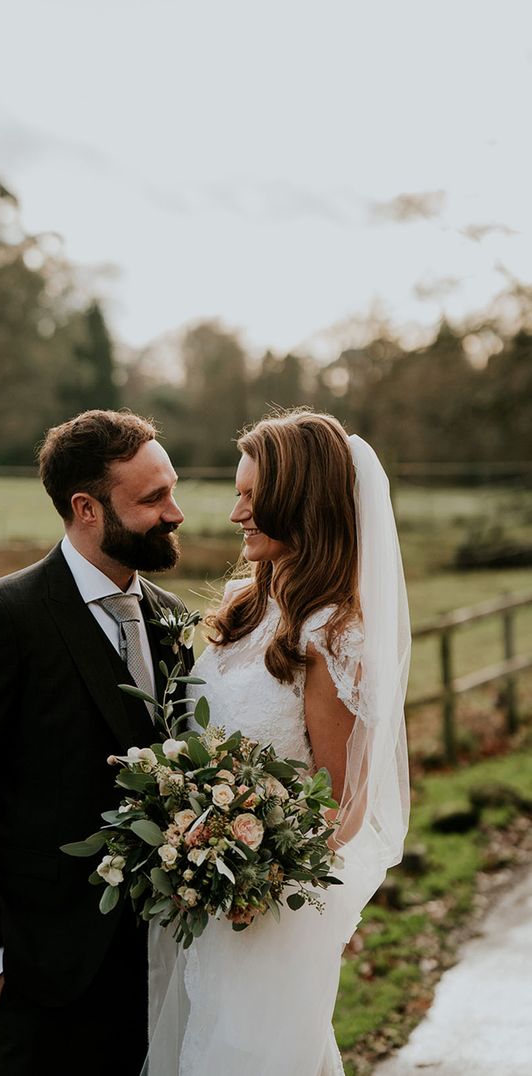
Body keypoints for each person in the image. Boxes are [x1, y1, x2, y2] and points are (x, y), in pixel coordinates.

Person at [0, 409, 193, 1076]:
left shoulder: (170, 619)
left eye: (171, 488)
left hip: (163, 968)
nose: (175, 511)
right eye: (152, 498)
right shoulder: (1, 618)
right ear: (87, 508)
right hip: (41, 981)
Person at [146, 408, 410, 1076]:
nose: (237, 514)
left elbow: (342, 805)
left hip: (268, 913)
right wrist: (195, 853)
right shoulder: (239, 605)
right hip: (207, 902)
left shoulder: (332, 634)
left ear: (301, 504)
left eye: (252, 498)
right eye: (238, 494)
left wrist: (253, 877)